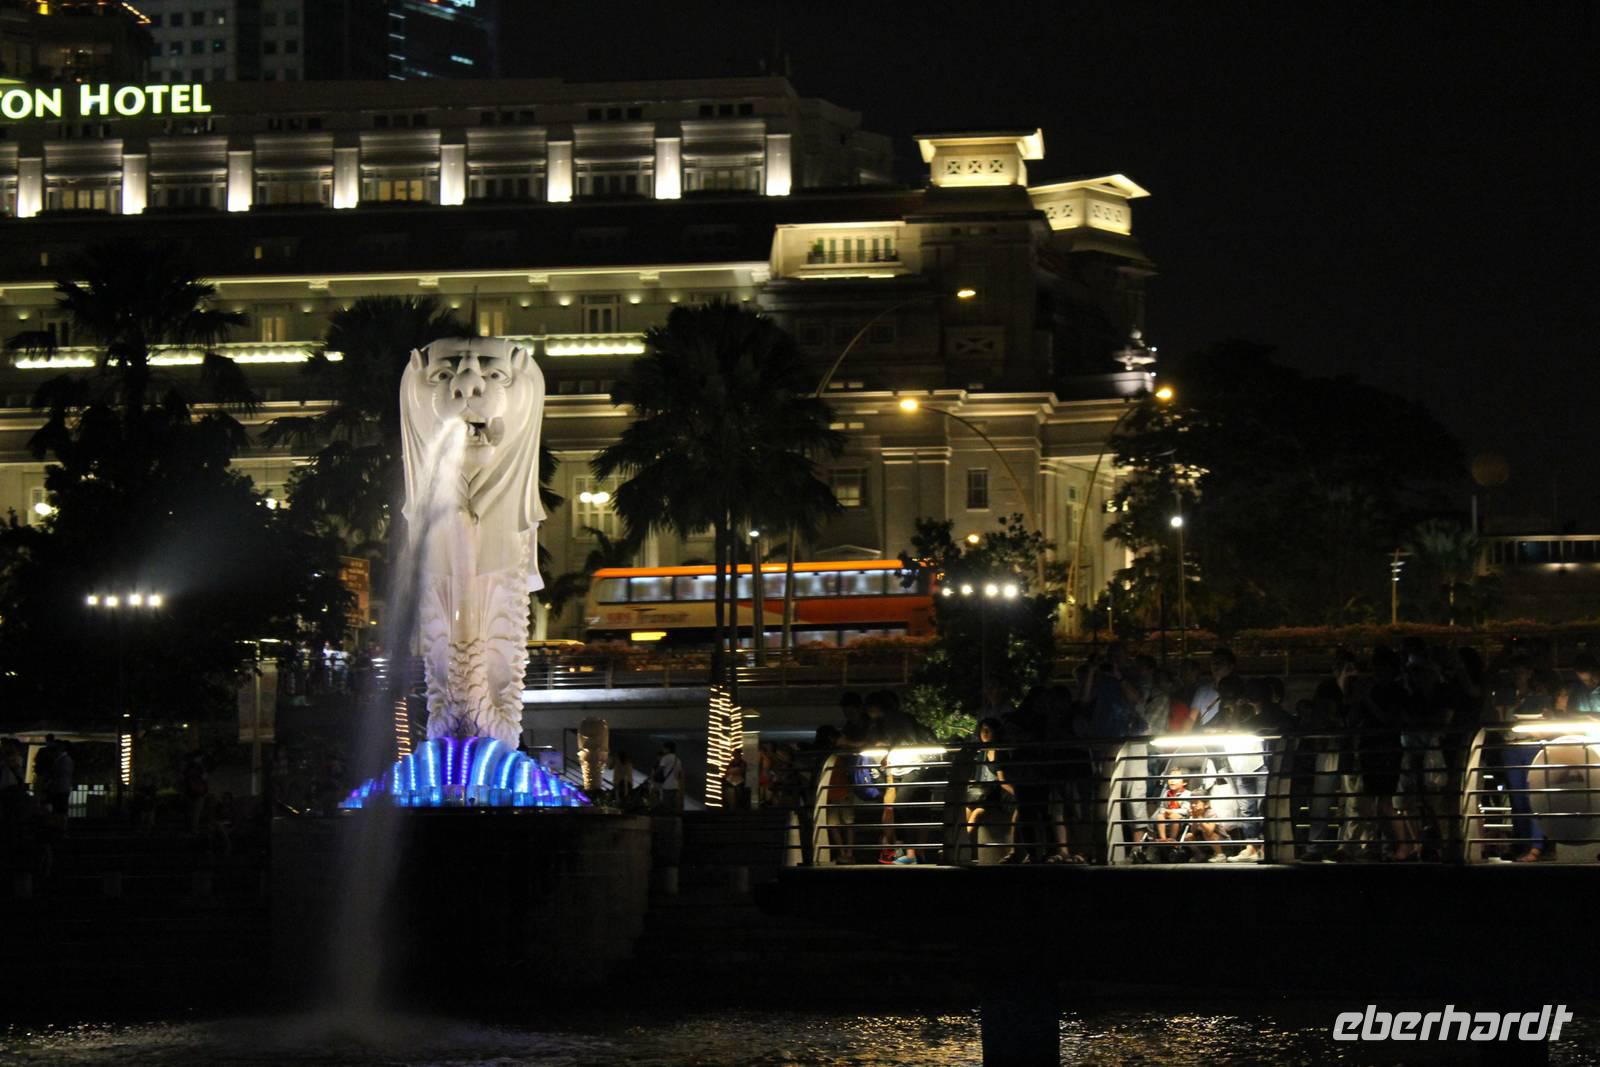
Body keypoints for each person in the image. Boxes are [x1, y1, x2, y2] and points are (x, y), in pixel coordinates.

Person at [964, 718, 1016, 863]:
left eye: (988, 730)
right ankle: (962, 845)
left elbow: (1002, 781)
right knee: (967, 809)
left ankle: (962, 845)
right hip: (986, 793)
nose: (984, 734)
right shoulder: (982, 752)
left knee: (976, 813)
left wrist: (1018, 793)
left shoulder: (999, 752)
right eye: (982, 730)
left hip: (995, 794)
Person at [48, 740, 73, 825]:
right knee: (60, 809)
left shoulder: (64, 760)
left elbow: (62, 773)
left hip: (61, 788)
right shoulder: (63, 759)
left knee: (60, 809)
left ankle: (61, 827)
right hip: (61, 788)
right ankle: (60, 826)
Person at [652, 742, 683, 812]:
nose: (663, 750)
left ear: (668, 749)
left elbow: (660, 769)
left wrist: (653, 776)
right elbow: (680, 774)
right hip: (675, 786)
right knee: (673, 806)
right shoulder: (678, 760)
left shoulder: (665, 758)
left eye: (664, 748)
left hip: (667, 786)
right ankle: (674, 820)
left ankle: (668, 821)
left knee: (666, 806)